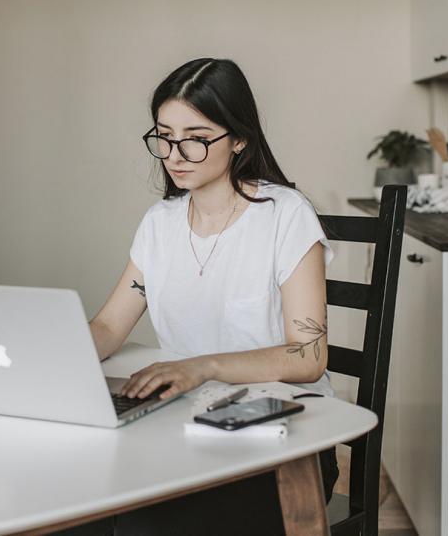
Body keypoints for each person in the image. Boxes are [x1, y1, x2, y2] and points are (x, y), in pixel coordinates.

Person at [58, 58, 338, 536]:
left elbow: (308, 356)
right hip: (183, 428)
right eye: (164, 135)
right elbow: (108, 328)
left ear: (239, 138)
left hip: (282, 435)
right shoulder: (160, 223)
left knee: (142, 521)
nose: (175, 153)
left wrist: (201, 366)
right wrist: (46, 359)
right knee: (69, 501)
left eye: (196, 136)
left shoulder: (285, 216)